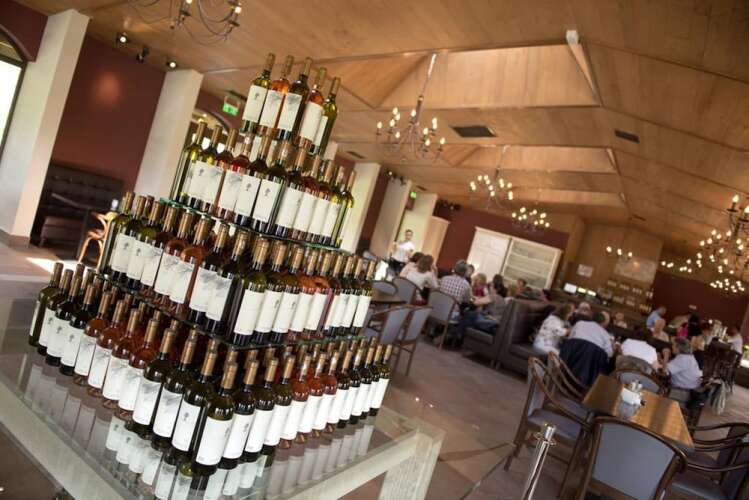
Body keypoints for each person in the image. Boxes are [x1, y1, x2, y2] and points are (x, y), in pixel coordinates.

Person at [560, 311, 614, 386]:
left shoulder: (580, 324)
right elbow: (609, 354)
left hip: (566, 365)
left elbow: (570, 339)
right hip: (588, 375)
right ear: (604, 323)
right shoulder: (606, 335)